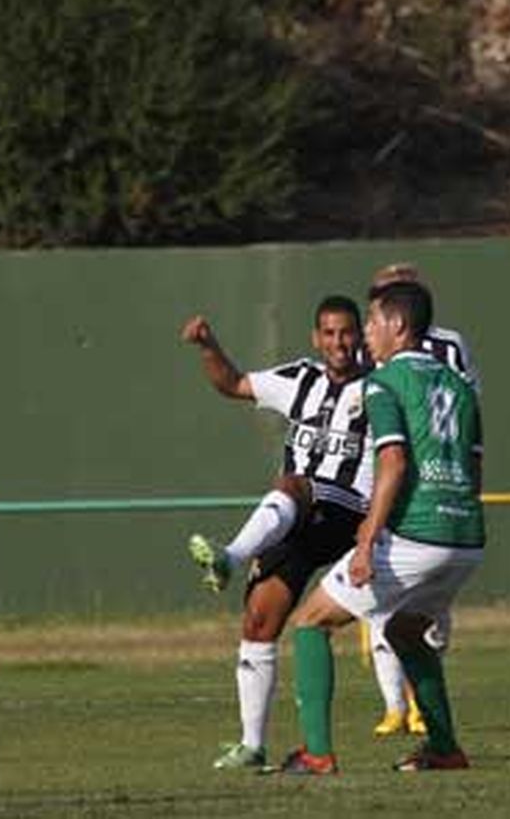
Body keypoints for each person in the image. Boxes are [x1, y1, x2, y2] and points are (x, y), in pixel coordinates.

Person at [180, 296, 407, 770]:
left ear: (359, 335)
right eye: (329, 333)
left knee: (292, 483)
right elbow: (234, 383)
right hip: (298, 516)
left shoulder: (382, 384)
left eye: (346, 332)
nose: (338, 342)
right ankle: (252, 745)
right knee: (258, 620)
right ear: (316, 338)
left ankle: (230, 556)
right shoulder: (299, 378)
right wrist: (207, 345)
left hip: (348, 514)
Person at [280, 280, 485, 776]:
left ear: (397, 326)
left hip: (416, 535)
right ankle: (444, 749)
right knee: (405, 631)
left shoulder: (384, 381)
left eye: (371, 322)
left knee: (310, 623)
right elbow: (473, 467)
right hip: (465, 538)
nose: (365, 333)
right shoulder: (458, 384)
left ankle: (317, 753)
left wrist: (367, 541)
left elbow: (391, 463)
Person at [361, 262, 479, 737]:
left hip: (428, 483)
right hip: (400, 474)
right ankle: (398, 707)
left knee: (321, 618)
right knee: (382, 611)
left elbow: (464, 409)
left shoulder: (448, 347)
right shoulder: (376, 357)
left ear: (402, 314)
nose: (370, 326)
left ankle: (320, 752)